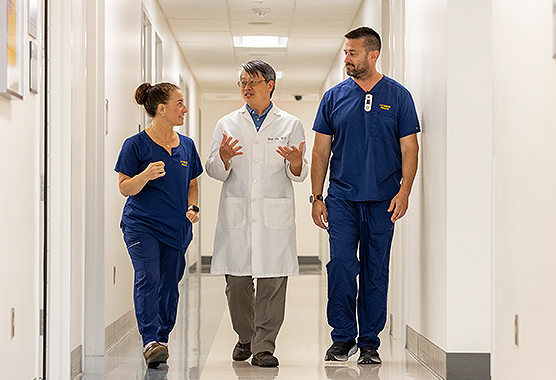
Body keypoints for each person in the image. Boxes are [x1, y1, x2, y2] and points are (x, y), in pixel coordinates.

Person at [311, 26, 420, 365]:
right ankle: (342, 337)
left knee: (376, 270)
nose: (347, 58)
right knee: (342, 265)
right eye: (346, 52)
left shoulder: (399, 96)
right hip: (342, 198)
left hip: (383, 199)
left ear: (373, 55)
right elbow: (319, 151)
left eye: (352, 53)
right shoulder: (334, 97)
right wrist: (317, 197)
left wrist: (404, 192)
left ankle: (369, 341)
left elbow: (410, 148)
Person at [205, 60, 308, 368]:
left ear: (270, 85)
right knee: (236, 283)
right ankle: (245, 335)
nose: (247, 88)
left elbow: (299, 174)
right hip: (237, 212)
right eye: (243, 82)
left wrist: (295, 162)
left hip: (274, 214)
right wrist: (222, 158)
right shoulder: (226, 123)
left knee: (272, 284)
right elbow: (213, 170)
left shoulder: (290, 124)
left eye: (253, 82)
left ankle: (264, 347)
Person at [115, 82, 203, 368]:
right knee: (148, 278)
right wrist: (145, 175)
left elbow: (193, 184)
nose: (185, 109)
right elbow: (125, 187)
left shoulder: (187, 146)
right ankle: (149, 340)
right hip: (142, 224)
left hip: (176, 227)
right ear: (161, 109)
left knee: (169, 284)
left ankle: (162, 339)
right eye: (180, 104)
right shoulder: (135, 145)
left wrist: (193, 207)